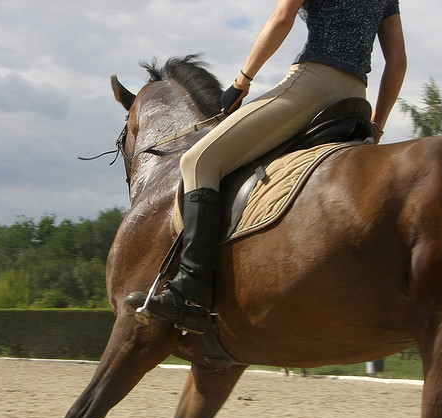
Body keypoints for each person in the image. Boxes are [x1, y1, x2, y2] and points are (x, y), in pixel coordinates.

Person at [127, 0, 407, 334]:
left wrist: (242, 81)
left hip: (313, 83)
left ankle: (192, 290)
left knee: (198, 161)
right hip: (355, 97)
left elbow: (281, 17)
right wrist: (376, 125)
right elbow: (398, 62)